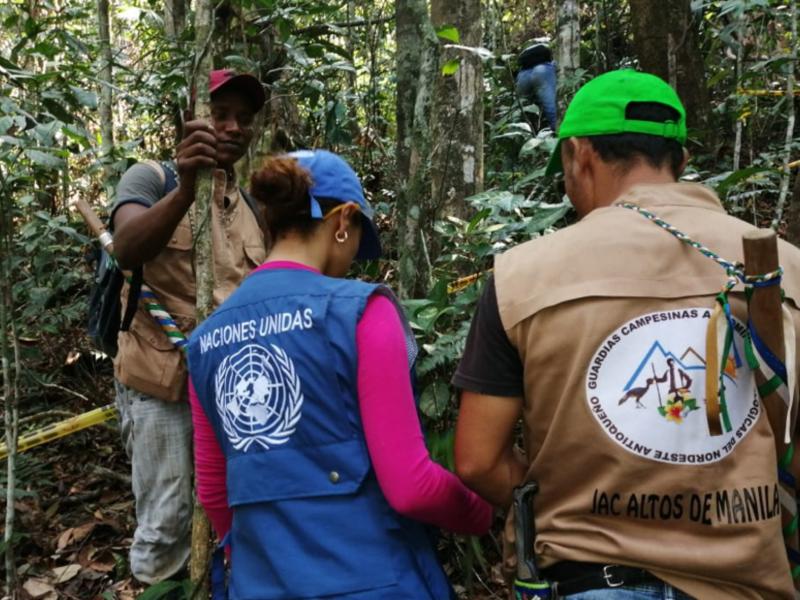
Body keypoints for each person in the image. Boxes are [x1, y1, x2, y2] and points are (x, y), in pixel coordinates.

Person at [452, 69, 800, 599]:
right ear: (680, 162)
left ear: (580, 157)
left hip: (588, 580)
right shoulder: (785, 270)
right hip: (744, 582)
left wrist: (566, 495)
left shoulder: (521, 275)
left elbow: (477, 460)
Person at [187, 150, 492, 599]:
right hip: (374, 581)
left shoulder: (206, 339)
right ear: (343, 220)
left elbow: (215, 491)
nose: (353, 260)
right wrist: (482, 513)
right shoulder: (360, 311)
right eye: (357, 242)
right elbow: (412, 486)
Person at [110, 69, 267, 585]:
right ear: (191, 117)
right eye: (220, 115)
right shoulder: (148, 178)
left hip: (231, 390)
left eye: (243, 119)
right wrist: (183, 191)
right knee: (167, 520)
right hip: (161, 386)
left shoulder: (248, 207)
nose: (233, 128)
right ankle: (156, 588)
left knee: (232, 508)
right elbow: (127, 249)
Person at [515, 43, 557, 131]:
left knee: (520, 112)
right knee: (551, 106)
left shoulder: (527, 53)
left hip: (523, 75)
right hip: (542, 70)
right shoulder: (545, 60)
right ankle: (561, 134)